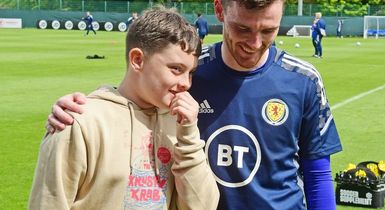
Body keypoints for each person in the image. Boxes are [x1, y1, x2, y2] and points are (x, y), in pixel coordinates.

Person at [46, 0, 343, 209]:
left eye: (268, 31)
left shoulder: (303, 80)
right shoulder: (191, 72)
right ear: (219, 11)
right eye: (242, 29)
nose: (254, 43)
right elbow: (133, 98)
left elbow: (317, 174)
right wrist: (82, 106)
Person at [29, 7, 219, 210]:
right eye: (176, 69)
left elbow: (204, 206)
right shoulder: (78, 122)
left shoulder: (178, 123)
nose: (186, 83)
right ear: (137, 60)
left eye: (190, 72)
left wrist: (188, 134)